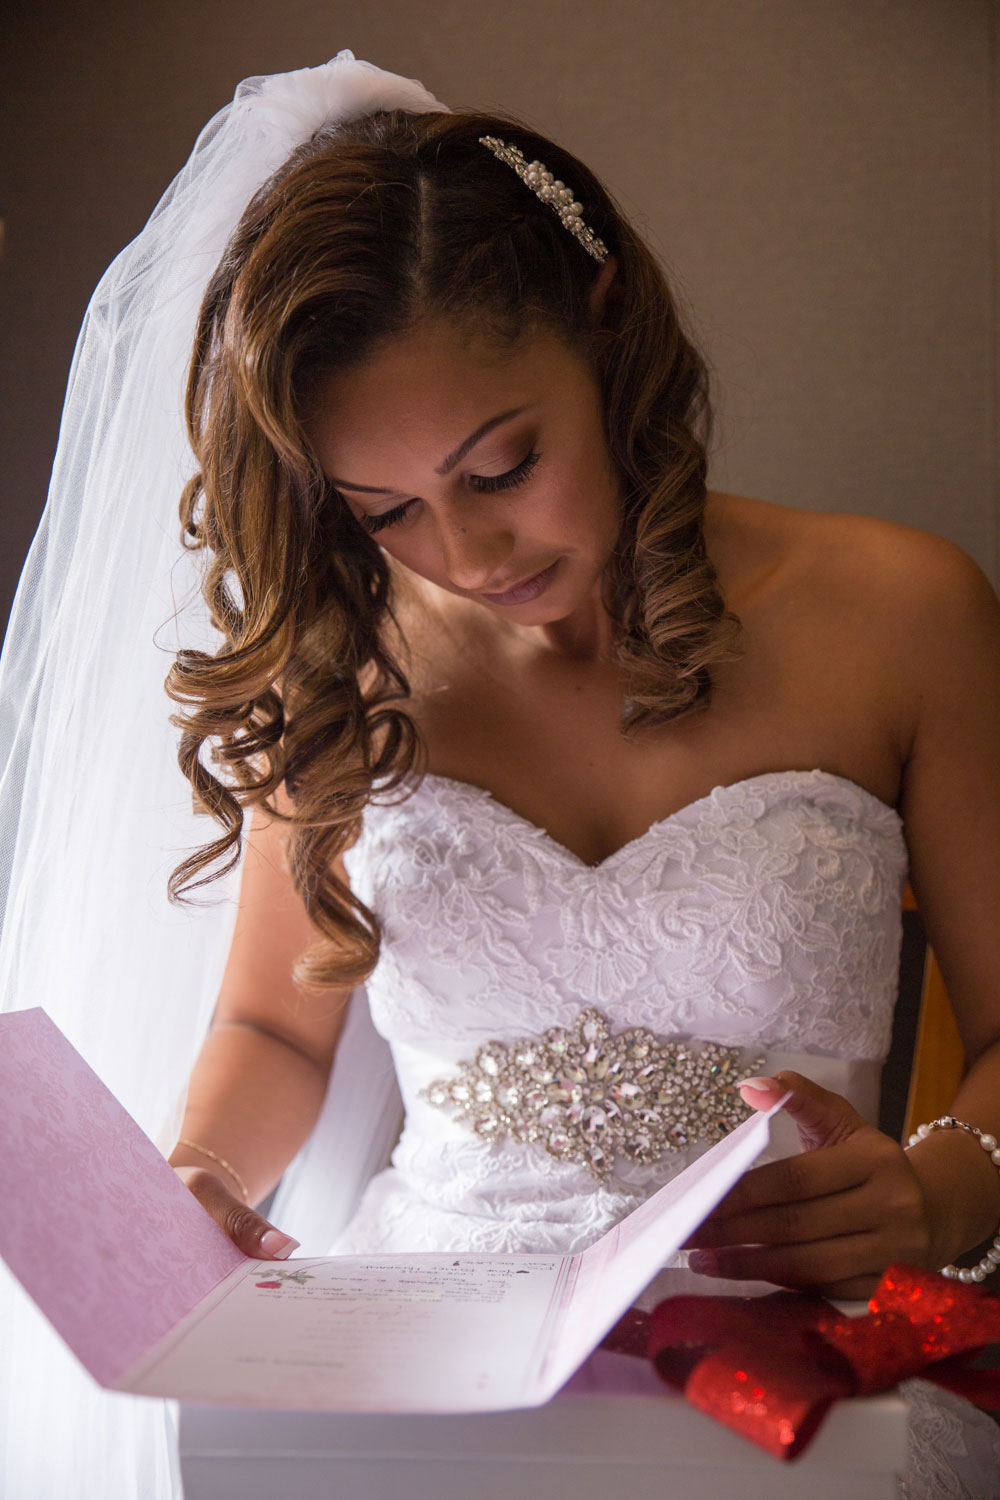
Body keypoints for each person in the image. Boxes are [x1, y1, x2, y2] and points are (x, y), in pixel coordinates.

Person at [2, 52, 998, 1500]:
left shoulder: (904, 613)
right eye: (388, 509)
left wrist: (941, 1184)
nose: (469, 557)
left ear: (604, 331)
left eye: (500, 465)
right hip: (421, 1358)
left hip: (794, 1363)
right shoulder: (339, 664)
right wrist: (202, 1172)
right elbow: (277, 1033)